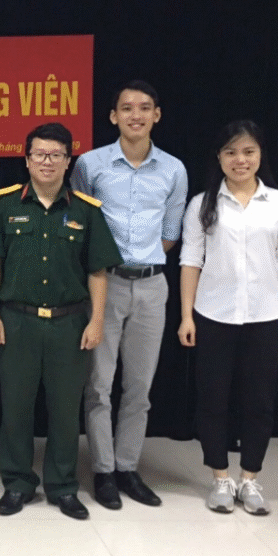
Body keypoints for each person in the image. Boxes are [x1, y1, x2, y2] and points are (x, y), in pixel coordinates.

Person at [0, 122, 122, 521]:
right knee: (16, 408)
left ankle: (62, 486)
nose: (47, 162)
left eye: (56, 155)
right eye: (40, 154)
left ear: (68, 162)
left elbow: (97, 271)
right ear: (27, 160)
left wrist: (97, 321)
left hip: (69, 325)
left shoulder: (85, 210)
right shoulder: (3, 204)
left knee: (64, 411)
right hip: (17, 321)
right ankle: (17, 482)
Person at [75, 80, 187, 510]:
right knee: (99, 384)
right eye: (126, 108)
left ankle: (128, 467)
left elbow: (171, 233)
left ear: (156, 115)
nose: (135, 115)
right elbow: (81, 223)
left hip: (153, 286)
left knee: (140, 387)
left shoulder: (173, 169)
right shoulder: (90, 164)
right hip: (106, 284)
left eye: (144, 108)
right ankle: (103, 470)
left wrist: (143, 260)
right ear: (113, 116)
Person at [178, 120, 278, 516]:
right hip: (213, 316)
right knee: (212, 400)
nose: (240, 160)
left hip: (266, 316)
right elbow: (190, 260)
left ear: (260, 155)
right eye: (231, 152)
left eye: (248, 152)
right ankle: (220, 479)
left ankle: (250, 479)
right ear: (219, 157)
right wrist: (186, 316)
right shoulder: (202, 204)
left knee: (259, 403)